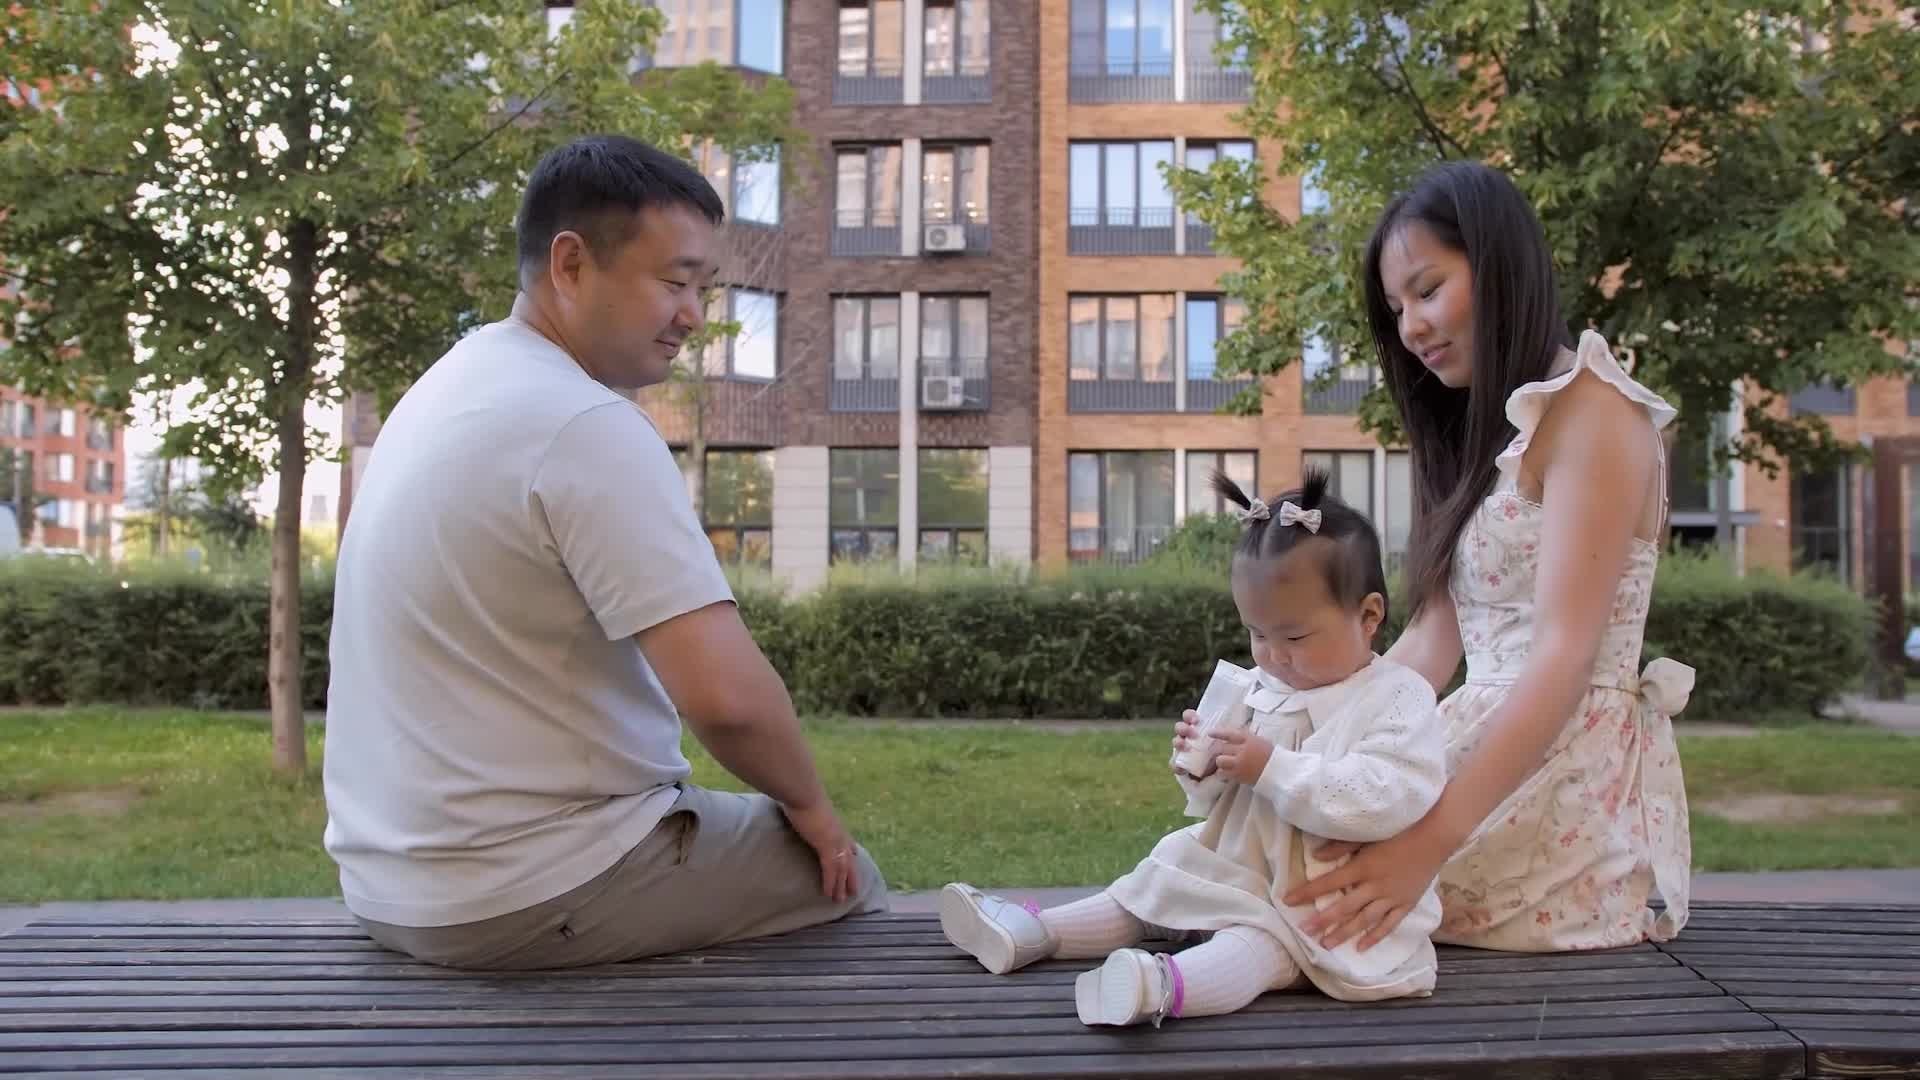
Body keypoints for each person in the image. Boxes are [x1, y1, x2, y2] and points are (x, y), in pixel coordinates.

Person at [322, 134, 887, 970]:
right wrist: (815, 812)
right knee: (848, 880)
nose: (695, 315)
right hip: (532, 886)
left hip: (389, 880)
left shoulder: (449, 385)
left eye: (704, 286)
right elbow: (726, 699)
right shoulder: (584, 424)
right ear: (572, 263)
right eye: (673, 281)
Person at [1282, 159, 1695, 954]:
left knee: (1317, 890)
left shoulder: (1593, 412)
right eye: (1396, 308)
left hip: (1558, 774)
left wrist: (1424, 843)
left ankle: (1149, 971)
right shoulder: (1495, 433)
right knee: (1289, 819)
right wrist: (1315, 726)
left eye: (1428, 290)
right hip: (1483, 743)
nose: (1410, 328)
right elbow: (1436, 639)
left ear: (1499, 264)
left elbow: (1564, 657)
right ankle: (1077, 936)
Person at [939, 468, 1447, 1027]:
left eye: (1295, 637)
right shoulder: (1255, 686)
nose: (1274, 655)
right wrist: (1201, 767)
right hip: (1233, 865)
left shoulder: (1396, 697)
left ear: (1368, 615)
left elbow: (1387, 796)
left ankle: (1159, 986)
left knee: (1258, 946)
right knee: (1157, 879)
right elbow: (1212, 802)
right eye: (1257, 633)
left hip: (1318, 897)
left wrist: (1271, 767)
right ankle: (1034, 931)